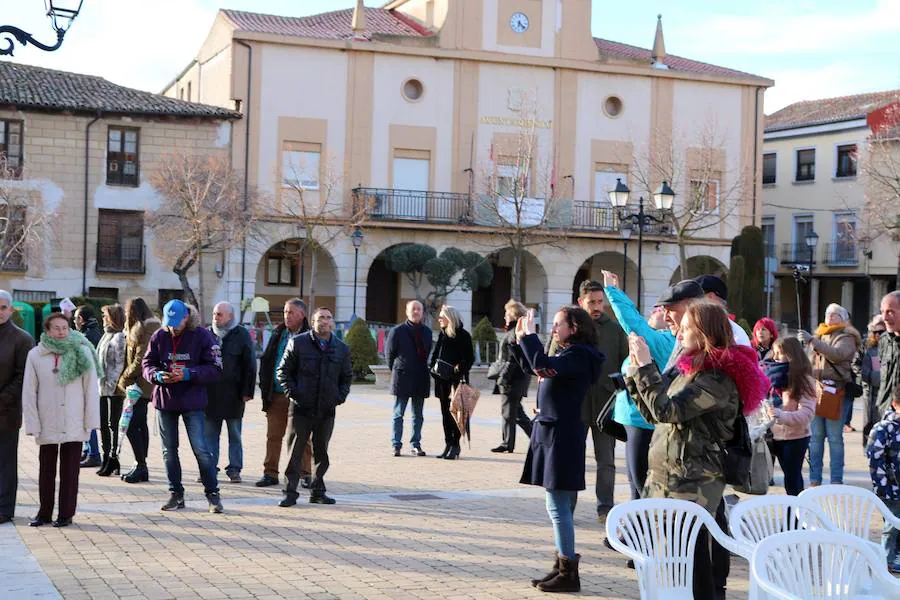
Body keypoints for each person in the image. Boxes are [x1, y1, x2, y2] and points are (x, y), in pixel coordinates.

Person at [624, 300, 768, 600]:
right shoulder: (689, 369)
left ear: (704, 334)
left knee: (694, 561)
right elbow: (653, 413)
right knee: (671, 561)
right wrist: (635, 372)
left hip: (694, 482)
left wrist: (647, 365)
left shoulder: (718, 378)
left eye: (687, 328)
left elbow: (667, 410)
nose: (680, 334)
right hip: (668, 477)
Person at [518, 306, 605, 593]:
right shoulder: (571, 354)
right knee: (557, 505)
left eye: (558, 324)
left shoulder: (580, 355)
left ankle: (569, 571)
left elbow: (543, 365)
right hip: (554, 429)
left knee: (558, 506)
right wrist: (522, 341)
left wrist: (529, 336)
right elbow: (538, 367)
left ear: (574, 327)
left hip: (562, 435)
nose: (554, 329)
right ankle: (560, 566)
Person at [142, 300, 224, 513]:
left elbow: (215, 368)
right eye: (169, 323)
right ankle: (175, 493)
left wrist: (189, 374)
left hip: (193, 401)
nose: (173, 327)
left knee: (201, 449)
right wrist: (157, 375)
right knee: (169, 451)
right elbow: (147, 363)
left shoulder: (202, 336)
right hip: (165, 400)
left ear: (187, 317)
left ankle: (213, 494)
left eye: (177, 322)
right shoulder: (159, 335)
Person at [601, 271, 676, 503]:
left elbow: (632, 322)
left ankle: (633, 533)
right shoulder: (656, 338)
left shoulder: (664, 341)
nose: (655, 309)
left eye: (661, 309)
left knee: (639, 485)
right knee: (636, 483)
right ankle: (633, 531)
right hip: (634, 418)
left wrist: (612, 291)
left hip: (642, 421)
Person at [23, 313, 101, 527]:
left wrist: (91, 422)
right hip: (47, 418)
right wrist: (32, 423)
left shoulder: (82, 351)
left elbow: (91, 390)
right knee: (46, 469)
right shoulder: (35, 355)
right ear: (47, 331)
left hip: (74, 419)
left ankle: (66, 514)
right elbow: (29, 392)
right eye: (56, 328)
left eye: (64, 328)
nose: (61, 332)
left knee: (70, 470)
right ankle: (44, 513)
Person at [277, 307, 352, 507]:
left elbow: (346, 377)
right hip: (301, 408)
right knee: (295, 452)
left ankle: (318, 491)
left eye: (329, 318)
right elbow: (283, 372)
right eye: (321, 318)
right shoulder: (298, 343)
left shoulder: (341, 348)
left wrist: (338, 397)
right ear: (313, 321)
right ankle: (290, 493)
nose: (325, 321)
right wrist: (295, 394)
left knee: (322, 452)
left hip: (326, 409)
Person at [567, 280, 628, 521]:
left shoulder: (615, 329)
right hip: (576, 404)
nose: (596, 306)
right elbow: (552, 359)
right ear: (581, 302)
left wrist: (620, 391)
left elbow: (626, 364)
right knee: (573, 458)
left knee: (607, 461)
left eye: (600, 302)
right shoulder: (570, 327)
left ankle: (605, 507)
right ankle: (567, 506)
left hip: (606, 405)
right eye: (592, 302)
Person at [798, 302, 861, 486]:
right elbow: (809, 363)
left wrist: (812, 341)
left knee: (834, 438)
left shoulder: (847, 336)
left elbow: (837, 354)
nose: (830, 317)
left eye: (835, 314)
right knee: (816, 437)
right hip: (817, 391)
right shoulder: (819, 336)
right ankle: (815, 479)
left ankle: (836, 480)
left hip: (838, 392)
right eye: (828, 314)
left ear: (843, 319)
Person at [256, 298, 310, 488]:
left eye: (291, 312)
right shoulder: (278, 334)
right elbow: (267, 360)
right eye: (286, 312)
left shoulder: (309, 336)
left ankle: (305, 474)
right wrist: (264, 388)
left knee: (302, 436)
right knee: (273, 435)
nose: (287, 316)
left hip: (299, 396)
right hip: (277, 394)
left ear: (302, 315)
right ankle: (270, 473)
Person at [205, 302, 257, 484]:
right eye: (214, 314)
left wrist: (247, 391)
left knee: (234, 434)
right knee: (210, 435)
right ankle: (209, 467)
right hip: (210, 395)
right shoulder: (207, 334)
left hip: (234, 395)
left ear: (230, 316)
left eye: (219, 314)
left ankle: (234, 469)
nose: (215, 317)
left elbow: (250, 365)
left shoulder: (241, 334)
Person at [765, 337, 816, 496]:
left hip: (796, 438)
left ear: (791, 355)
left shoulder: (804, 379)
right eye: (774, 353)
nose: (775, 358)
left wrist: (781, 415)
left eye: (779, 353)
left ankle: (794, 518)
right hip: (774, 435)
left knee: (792, 481)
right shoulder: (772, 378)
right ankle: (791, 517)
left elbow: (807, 414)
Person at [116, 298, 160, 484]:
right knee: (140, 423)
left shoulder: (144, 328)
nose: (126, 315)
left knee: (134, 425)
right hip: (142, 383)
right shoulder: (146, 327)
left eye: (128, 311)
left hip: (141, 383)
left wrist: (124, 377)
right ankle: (140, 464)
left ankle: (141, 466)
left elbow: (140, 358)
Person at [0, 290, 34, 524]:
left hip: (6, 412)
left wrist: (2, 399)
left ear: (11, 310)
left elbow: (23, 376)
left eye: (3, 307)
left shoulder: (22, 339)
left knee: (5, 462)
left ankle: (4, 508)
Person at [387, 300, 432, 457]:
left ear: (422, 312)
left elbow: (427, 353)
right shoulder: (397, 331)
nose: (416, 312)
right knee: (398, 413)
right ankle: (396, 445)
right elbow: (389, 355)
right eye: (413, 309)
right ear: (407, 312)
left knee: (418, 414)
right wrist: (395, 370)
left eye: (419, 309)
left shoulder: (427, 332)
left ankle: (416, 444)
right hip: (403, 376)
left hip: (421, 376)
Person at [430, 305, 474, 460]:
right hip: (442, 382)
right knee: (445, 414)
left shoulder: (463, 336)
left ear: (450, 318)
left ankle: (455, 445)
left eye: (442, 316)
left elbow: (469, 359)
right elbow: (435, 355)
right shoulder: (442, 335)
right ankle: (448, 443)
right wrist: (433, 368)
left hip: (456, 382)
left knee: (456, 414)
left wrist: (456, 370)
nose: (439, 319)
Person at [866, 381, 900, 573]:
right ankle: (886, 559)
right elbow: (874, 458)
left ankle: (896, 554)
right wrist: (882, 487)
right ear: (895, 404)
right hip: (891, 488)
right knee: (892, 525)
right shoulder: (883, 429)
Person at [491, 300, 532, 454]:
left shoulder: (515, 333)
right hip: (516, 379)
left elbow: (512, 360)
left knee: (509, 413)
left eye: (507, 314)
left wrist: (503, 377)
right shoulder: (518, 331)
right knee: (517, 413)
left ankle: (508, 443)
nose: (504, 317)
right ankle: (534, 438)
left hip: (512, 380)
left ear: (513, 316)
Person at [95, 304, 126, 477]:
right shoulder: (106, 335)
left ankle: (113, 458)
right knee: (103, 425)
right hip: (102, 387)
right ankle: (106, 456)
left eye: (106, 316)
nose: (103, 318)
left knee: (112, 425)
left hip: (113, 390)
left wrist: (112, 386)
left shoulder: (120, 337)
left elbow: (118, 364)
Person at [75, 304, 103, 468]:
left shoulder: (86, 336)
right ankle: (88, 450)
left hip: (87, 383)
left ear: (81, 319)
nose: (74, 322)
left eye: (75, 319)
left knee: (87, 419)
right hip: (91, 382)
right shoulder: (95, 332)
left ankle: (93, 453)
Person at [694, 275, 752, 347]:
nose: (691, 303)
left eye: (695, 297)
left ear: (710, 297)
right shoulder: (689, 330)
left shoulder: (735, 334)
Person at [862, 315, 887, 446]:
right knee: (871, 425)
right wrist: (881, 376)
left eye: (881, 332)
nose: (878, 335)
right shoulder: (869, 351)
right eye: (875, 332)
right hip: (871, 394)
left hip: (889, 395)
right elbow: (865, 373)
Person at [877, 291, 900, 418]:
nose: (884, 318)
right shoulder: (884, 340)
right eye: (882, 311)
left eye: (890, 311)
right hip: (886, 413)